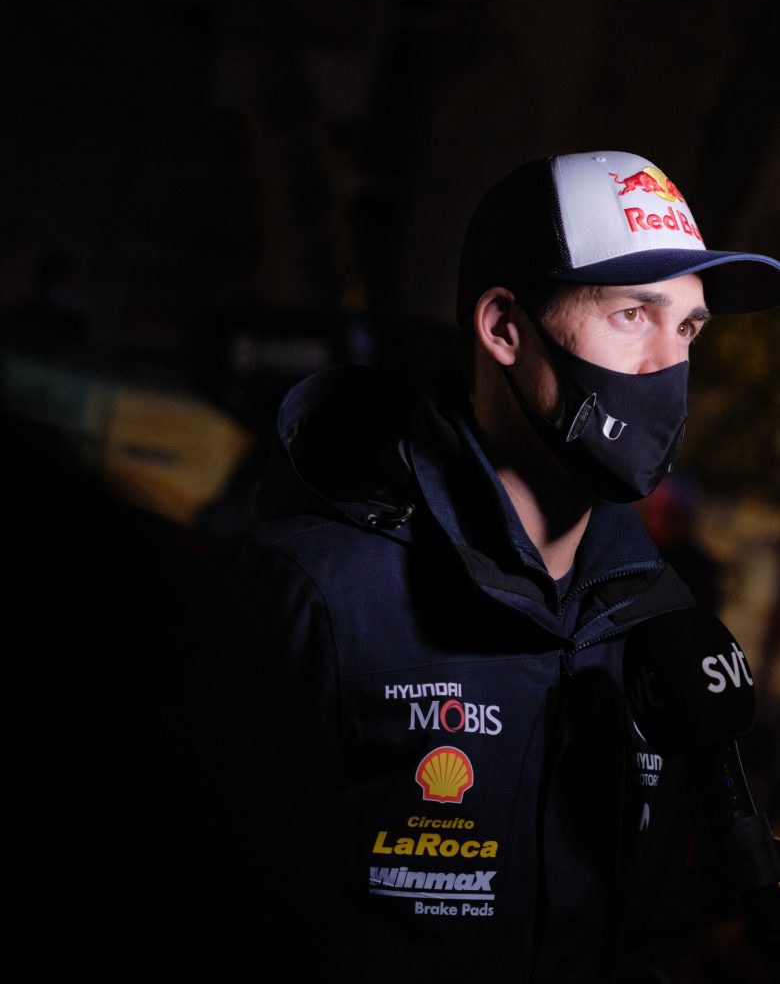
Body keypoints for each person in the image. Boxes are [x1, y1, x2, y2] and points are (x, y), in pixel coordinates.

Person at [176, 150, 780, 982]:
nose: (665, 367)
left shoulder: (658, 625)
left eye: (688, 329)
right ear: (503, 328)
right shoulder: (311, 594)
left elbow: (645, 940)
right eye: (633, 314)